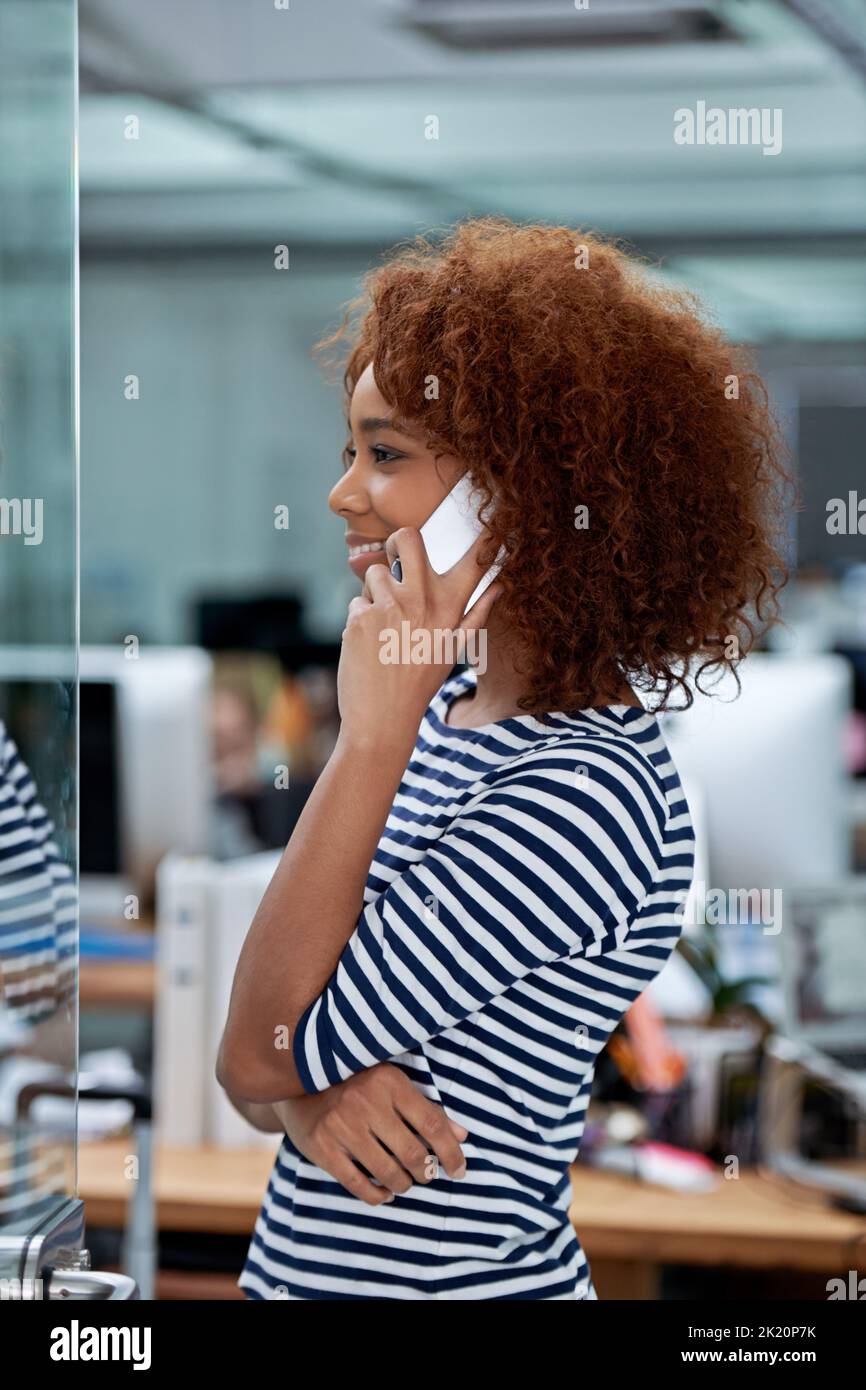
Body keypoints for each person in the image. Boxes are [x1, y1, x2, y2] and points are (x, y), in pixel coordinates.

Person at [217, 217, 790, 1300]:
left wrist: (368, 735)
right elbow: (262, 1066)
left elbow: (257, 1043)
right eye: (350, 450)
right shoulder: (445, 716)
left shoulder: (580, 797)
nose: (344, 492)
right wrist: (305, 1094)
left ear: (521, 495)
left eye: (384, 453)